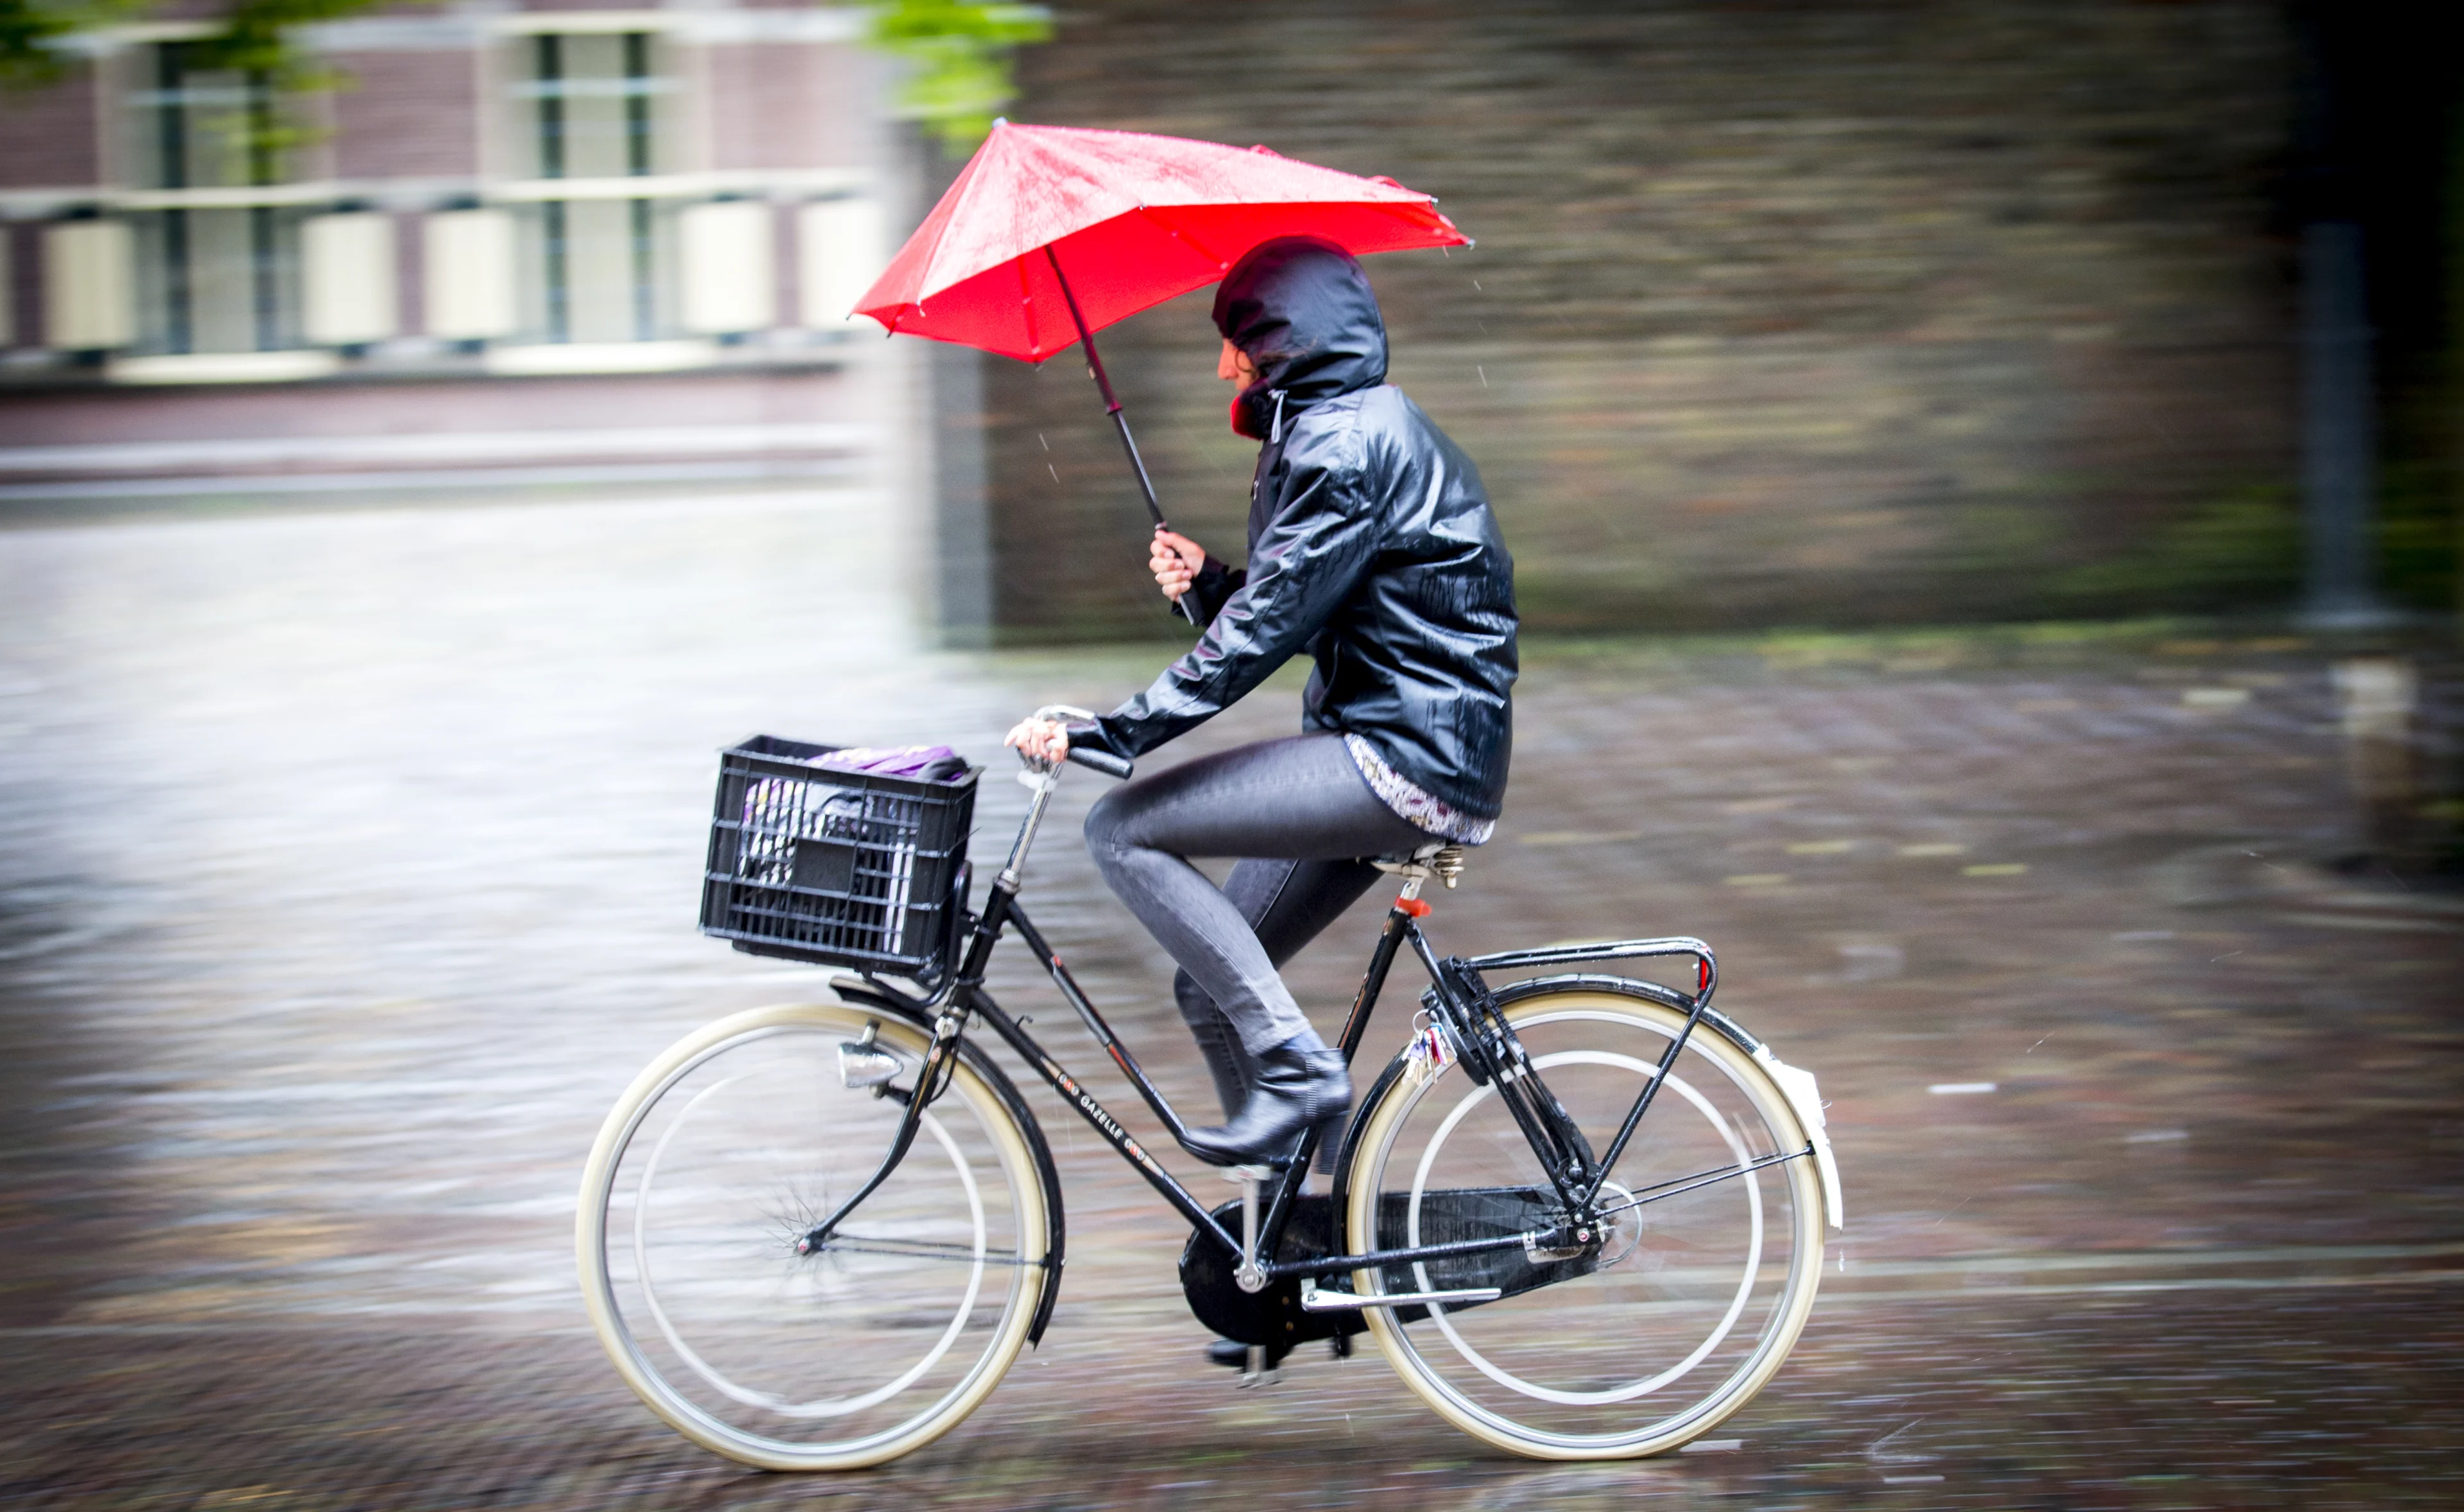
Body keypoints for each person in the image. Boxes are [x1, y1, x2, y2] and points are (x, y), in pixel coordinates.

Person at [1005, 235, 1517, 1174]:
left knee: (1121, 829)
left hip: (1405, 757)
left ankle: (1297, 1068)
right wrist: (1212, 585)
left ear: (1286, 339)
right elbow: (1313, 604)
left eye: (1235, 342)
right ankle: (1308, 1234)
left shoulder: (1342, 445)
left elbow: (1261, 635)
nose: (1222, 366)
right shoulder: (1343, 424)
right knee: (1213, 991)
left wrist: (1112, 732)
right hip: (1404, 740)